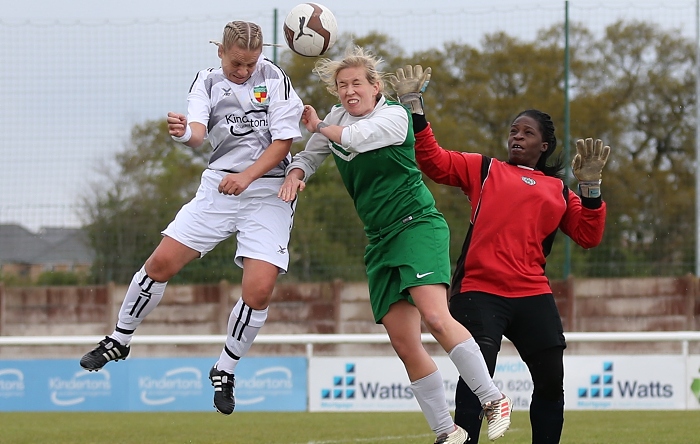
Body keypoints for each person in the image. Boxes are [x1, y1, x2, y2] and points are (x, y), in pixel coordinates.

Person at [278, 46, 512, 444]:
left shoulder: (394, 117)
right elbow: (311, 156)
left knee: (436, 317)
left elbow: (354, 138)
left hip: (417, 226)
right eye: (341, 85)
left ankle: (494, 399)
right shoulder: (335, 118)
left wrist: (318, 126)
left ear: (376, 87)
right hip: (380, 241)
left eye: (356, 83)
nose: (349, 91)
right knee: (404, 343)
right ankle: (447, 431)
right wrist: (296, 173)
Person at [79, 20, 304, 416]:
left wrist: (248, 177)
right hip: (220, 187)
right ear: (221, 52)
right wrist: (183, 134)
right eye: (237, 63)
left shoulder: (275, 78)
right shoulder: (206, 80)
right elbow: (198, 134)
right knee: (161, 263)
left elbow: (284, 141)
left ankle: (225, 368)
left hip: (267, 191)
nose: (244, 71)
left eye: (251, 63)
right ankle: (119, 340)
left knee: (259, 290)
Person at [389, 65, 609, 443]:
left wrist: (590, 188)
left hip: (532, 295)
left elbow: (588, 235)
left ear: (544, 147)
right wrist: (415, 107)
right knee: (477, 380)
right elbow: (434, 162)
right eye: (514, 131)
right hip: (480, 292)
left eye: (527, 133)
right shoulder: (485, 169)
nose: (517, 137)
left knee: (551, 384)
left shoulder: (557, 190)